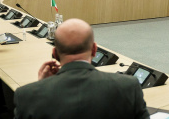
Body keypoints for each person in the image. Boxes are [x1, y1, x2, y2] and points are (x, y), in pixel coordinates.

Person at [13, 19, 150, 119]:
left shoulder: (26, 95)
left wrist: (41, 86)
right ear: (94, 49)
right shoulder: (128, 86)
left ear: (54, 54)